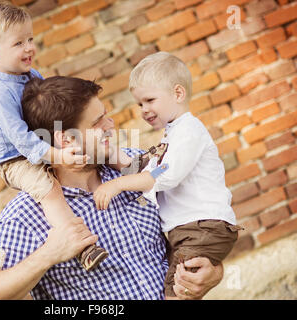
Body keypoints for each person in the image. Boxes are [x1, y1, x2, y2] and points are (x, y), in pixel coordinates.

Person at [0, 76, 224, 300]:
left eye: (105, 114)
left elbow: (200, 227)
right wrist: (48, 254)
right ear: (66, 139)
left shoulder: (139, 169)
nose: (110, 124)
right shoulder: (27, 215)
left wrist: (212, 271)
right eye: (98, 122)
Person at [0, 1, 118, 270]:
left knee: (91, 142)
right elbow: (22, 141)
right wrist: (59, 156)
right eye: (18, 43)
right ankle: (82, 246)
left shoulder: (30, 73)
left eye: (30, 39)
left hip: (40, 142)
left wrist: (66, 141)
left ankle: (132, 165)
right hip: (16, 159)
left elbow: (47, 112)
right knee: (50, 190)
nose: (29, 47)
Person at [93, 52, 242, 299]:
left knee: (176, 291)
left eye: (150, 100)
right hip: (190, 230)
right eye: (140, 104)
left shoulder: (188, 131)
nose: (144, 110)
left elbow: (164, 174)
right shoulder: (173, 133)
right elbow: (149, 168)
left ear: (178, 94)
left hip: (202, 227)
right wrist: (113, 158)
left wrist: (118, 184)